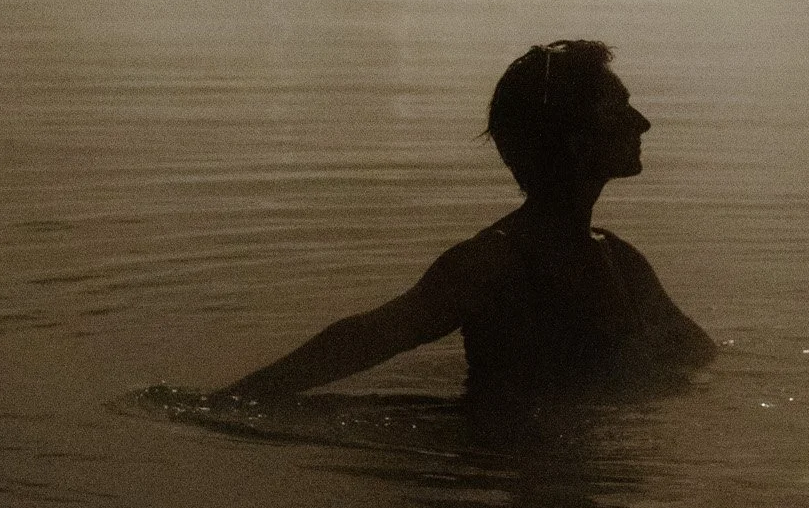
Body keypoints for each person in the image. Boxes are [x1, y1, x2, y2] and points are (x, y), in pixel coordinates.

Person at [215, 40, 718, 404]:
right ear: (576, 140)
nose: (642, 122)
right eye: (619, 109)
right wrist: (232, 399)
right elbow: (367, 337)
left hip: (576, 472)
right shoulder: (497, 262)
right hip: (507, 476)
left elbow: (695, 354)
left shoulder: (616, 257)